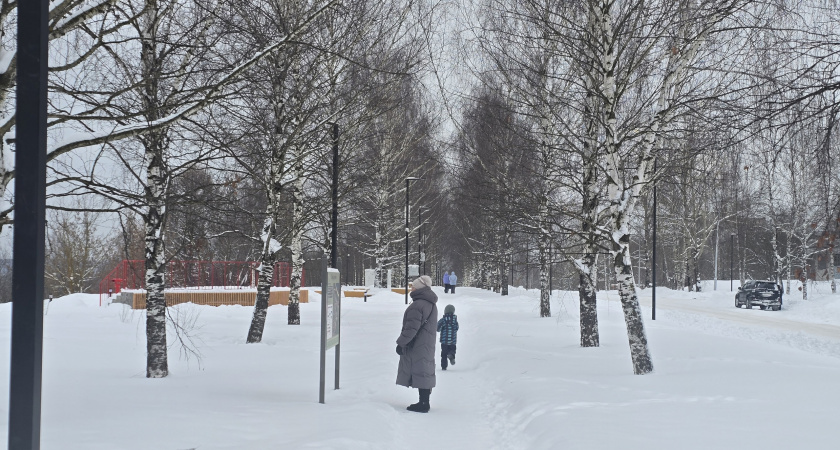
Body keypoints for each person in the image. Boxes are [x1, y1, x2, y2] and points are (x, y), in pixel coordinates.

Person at [395, 275, 438, 413]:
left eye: (413, 286)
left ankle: (423, 404)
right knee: (424, 369)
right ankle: (424, 401)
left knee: (421, 369)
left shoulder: (418, 305)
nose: (411, 288)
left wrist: (401, 343)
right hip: (426, 342)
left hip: (418, 343)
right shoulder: (430, 303)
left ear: (419, 288)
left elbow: (411, 328)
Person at [437, 304, 459, 370]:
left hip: (444, 341)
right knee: (452, 350)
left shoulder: (443, 320)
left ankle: (444, 367)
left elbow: (438, 329)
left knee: (443, 354)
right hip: (452, 341)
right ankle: (451, 355)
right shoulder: (455, 320)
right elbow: (457, 328)